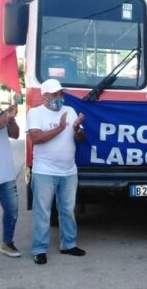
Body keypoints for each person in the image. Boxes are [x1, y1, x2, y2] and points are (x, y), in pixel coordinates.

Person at [26, 79, 86, 265]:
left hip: (69, 171)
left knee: (67, 210)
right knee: (42, 212)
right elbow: (35, 138)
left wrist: (76, 129)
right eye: (55, 94)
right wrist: (60, 128)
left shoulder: (70, 111)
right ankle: (39, 249)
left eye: (61, 93)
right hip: (44, 171)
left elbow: (81, 139)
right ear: (44, 96)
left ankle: (68, 245)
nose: (59, 97)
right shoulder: (36, 113)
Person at [0, 90, 21, 263]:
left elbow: (15, 135)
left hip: (4, 172)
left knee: (12, 209)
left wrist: (11, 120)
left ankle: (7, 243)